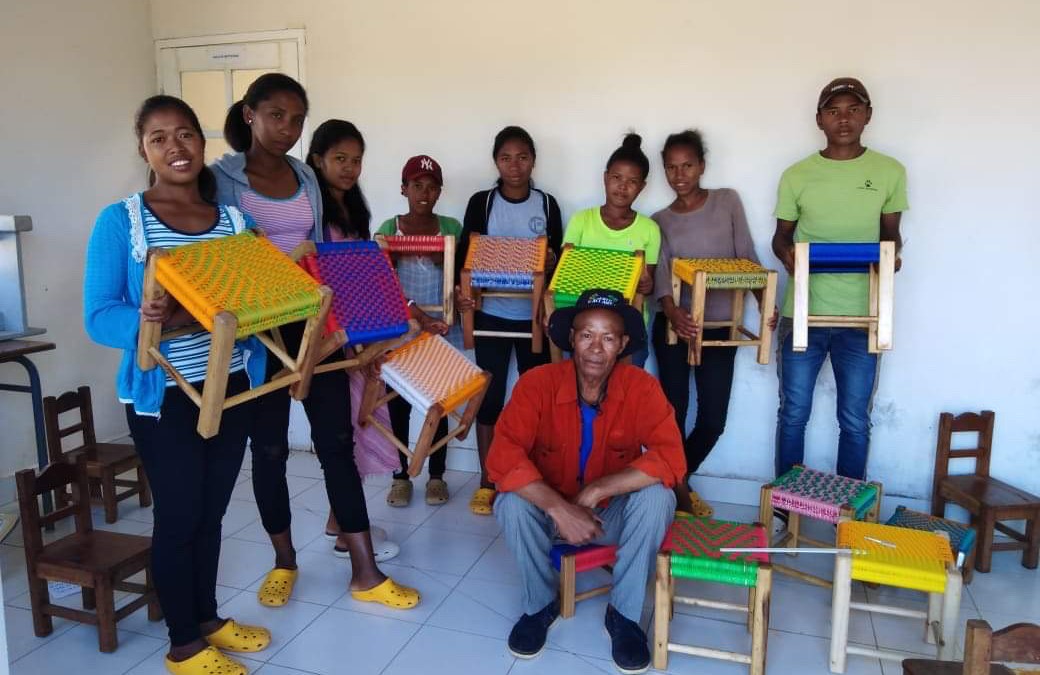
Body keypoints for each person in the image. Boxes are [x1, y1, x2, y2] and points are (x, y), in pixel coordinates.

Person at [212, 74, 418, 610]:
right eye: (276, 115)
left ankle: (365, 570)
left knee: (335, 444)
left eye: (297, 118)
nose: (287, 127)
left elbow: (326, 259)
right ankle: (284, 561)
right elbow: (218, 256)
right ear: (249, 114)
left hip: (314, 327)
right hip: (257, 337)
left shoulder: (306, 177)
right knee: (272, 451)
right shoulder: (222, 179)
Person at [84, 94, 270, 675]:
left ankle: (209, 617)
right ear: (143, 148)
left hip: (232, 386)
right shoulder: (122, 221)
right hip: (162, 395)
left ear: (203, 140)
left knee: (213, 512)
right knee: (180, 513)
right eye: (159, 137)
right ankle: (184, 643)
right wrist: (150, 321)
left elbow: (259, 300)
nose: (175, 147)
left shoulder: (238, 222)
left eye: (185, 133)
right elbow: (99, 314)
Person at [488, 289, 685, 674]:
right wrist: (560, 509)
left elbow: (671, 457)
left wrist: (598, 490)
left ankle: (624, 616)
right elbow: (502, 456)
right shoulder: (536, 383)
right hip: (547, 516)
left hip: (606, 517)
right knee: (509, 502)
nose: (596, 347)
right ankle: (539, 604)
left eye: (608, 337)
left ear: (623, 344)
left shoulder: (642, 387)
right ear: (572, 338)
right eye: (587, 335)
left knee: (660, 497)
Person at [771, 77, 906, 484]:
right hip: (804, 313)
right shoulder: (797, 174)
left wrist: (892, 255)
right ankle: (784, 507)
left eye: (852, 109)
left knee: (854, 418)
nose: (843, 119)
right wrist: (787, 255)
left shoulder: (889, 172)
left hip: (863, 316)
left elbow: (891, 233)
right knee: (793, 413)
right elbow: (780, 236)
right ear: (819, 120)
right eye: (833, 111)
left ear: (868, 115)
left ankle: (851, 513)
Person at [652, 129, 775, 517]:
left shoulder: (727, 202)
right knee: (671, 414)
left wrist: (764, 301)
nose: (679, 174)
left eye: (687, 165)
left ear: (702, 166)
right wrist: (673, 313)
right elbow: (661, 277)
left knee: (712, 418)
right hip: (675, 328)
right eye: (671, 167)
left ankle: (672, 484)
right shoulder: (659, 220)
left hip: (720, 327)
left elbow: (747, 256)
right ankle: (678, 492)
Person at [305, 118, 400, 562]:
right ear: (318, 160)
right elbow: (320, 279)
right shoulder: (311, 212)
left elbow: (361, 275)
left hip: (359, 334)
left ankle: (337, 519)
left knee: (357, 430)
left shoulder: (354, 210)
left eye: (356, 160)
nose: (349, 168)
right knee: (341, 437)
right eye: (340, 158)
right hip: (329, 337)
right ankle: (346, 531)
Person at [455, 126, 563, 516]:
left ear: (533, 160)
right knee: (489, 399)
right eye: (506, 157)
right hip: (490, 317)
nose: (514, 166)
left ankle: (530, 477)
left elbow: (556, 266)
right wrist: (462, 296)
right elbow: (466, 258)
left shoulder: (547, 205)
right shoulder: (481, 203)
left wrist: (549, 262)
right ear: (495, 162)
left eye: (522, 157)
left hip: (533, 319)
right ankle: (488, 479)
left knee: (535, 403)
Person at [375, 154, 463, 507]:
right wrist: (412, 313)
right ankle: (400, 476)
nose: (424, 193)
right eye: (416, 186)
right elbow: (383, 282)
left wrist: (462, 295)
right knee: (397, 404)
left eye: (432, 186)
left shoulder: (451, 227)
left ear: (440, 191)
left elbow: (458, 277)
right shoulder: (388, 227)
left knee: (436, 404)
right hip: (400, 327)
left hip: (440, 328)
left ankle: (436, 476)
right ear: (403, 189)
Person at [562, 133, 660, 367]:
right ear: (605, 178)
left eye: (632, 181)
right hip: (583, 328)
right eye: (616, 177)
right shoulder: (581, 220)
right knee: (579, 392)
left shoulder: (649, 229)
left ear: (642, 186)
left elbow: (647, 284)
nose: (622, 186)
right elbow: (566, 272)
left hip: (628, 330)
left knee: (624, 394)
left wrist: (646, 285)